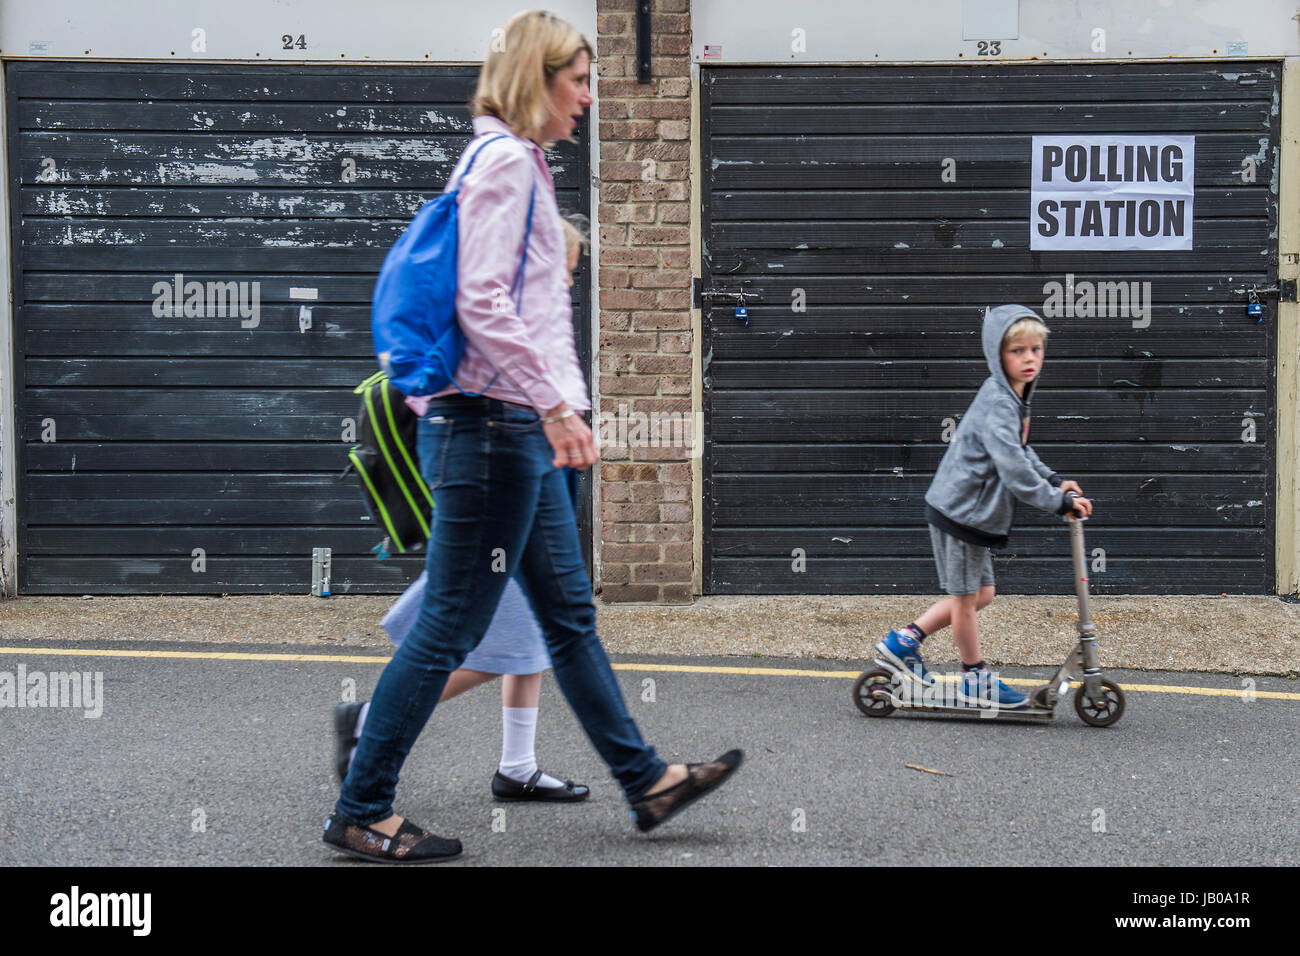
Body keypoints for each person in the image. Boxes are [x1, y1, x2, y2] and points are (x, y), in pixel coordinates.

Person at [323, 9, 741, 865]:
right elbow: (484, 301)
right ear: (534, 78)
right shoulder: (507, 160)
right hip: (492, 429)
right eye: (577, 80)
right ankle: (362, 807)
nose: (589, 97)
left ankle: (647, 782)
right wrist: (555, 406)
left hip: (512, 429)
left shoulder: (515, 160)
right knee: (450, 624)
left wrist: (552, 413)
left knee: (570, 617)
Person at [332, 218, 597, 805]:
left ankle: (518, 765)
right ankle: (370, 720)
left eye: (571, 275)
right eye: (560, 269)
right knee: (495, 634)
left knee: (527, 634)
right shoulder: (493, 320)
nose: (565, 284)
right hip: (502, 489)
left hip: (534, 483)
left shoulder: (534, 317)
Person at [873, 305, 1093, 709]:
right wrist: (1058, 503)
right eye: (1017, 351)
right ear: (997, 354)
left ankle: (902, 642)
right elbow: (1013, 471)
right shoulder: (999, 401)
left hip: (970, 512)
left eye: (1036, 350)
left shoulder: (1015, 396)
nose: (1029, 359)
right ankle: (975, 678)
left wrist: (1054, 479)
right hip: (959, 511)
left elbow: (1020, 451)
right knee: (964, 599)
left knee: (983, 592)